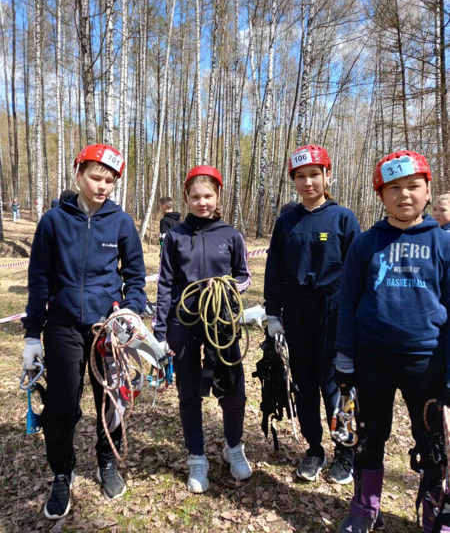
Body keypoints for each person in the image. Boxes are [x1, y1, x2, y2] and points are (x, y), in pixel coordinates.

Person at [21, 144, 147, 521]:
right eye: (96, 177)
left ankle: (107, 461)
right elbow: (39, 280)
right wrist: (31, 335)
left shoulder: (121, 223)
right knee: (60, 406)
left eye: (110, 180)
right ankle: (62, 472)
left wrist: (131, 311)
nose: (103, 185)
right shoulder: (53, 222)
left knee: (112, 400)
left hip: (106, 331)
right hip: (62, 328)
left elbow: (136, 277)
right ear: (78, 174)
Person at [335, 150, 450, 533]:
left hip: (427, 362)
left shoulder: (444, 244)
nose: (404, 195)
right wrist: (344, 357)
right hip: (373, 359)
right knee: (370, 435)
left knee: (433, 440)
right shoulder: (366, 244)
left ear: (428, 190)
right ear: (381, 195)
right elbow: (347, 303)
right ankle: (366, 508)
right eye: (394, 188)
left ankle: (436, 509)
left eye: (413, 186)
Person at [264, 144, 361, 485]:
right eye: (300, 177)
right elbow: (274, 270)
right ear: (294, 180)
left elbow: (357, 273)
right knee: (304, 384)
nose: (308, 183)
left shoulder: (343, 218)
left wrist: (357, 318)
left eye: (314, 175)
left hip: (334, 309)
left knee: (338, 384)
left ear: (327, 176)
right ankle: (315, 449)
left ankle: (345, 451)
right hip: (296, 310)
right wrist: (272, 314)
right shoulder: (286, 222)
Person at [153, 165, 252, 493]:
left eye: (208, 195)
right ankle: (197, 456)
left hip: (221, 322)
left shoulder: (231, 235)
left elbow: (243, 275)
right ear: (186, 197)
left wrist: (229, 288)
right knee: (189, 392)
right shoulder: (175, 236)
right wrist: (159, 330)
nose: (202, 202)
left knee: (233, 390)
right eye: (195, 197)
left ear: (218, 195)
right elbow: (165, 283)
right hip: (182, 323)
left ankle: (233, 446)